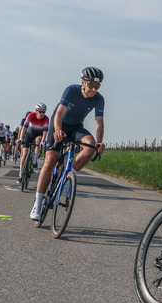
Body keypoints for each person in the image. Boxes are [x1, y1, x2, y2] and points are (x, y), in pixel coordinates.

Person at [29, 67, 106, 220]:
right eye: (90, 85)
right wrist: (57, 130)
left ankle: (67, 177)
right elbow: (58, 113)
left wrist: (99, 142)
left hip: (76, 127)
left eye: (96, 87)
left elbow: (99, 122)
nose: (93, 89)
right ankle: (37, 204)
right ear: (83, 82)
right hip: (59, 124)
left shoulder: (99, 99)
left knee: (90, 145)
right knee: (50, 161)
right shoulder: (71, 90)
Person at [16, 103, 51, 181]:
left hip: (38, 135)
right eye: (40, 112)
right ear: (36, 111)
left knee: (38, 140)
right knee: (24, 154)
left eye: (43, 112)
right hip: (29, 135)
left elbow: (45, 132)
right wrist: (21, 138)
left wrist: (42, 141)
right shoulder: (31, 116)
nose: (42, 114)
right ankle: (20, 174)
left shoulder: (46, 119)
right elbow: (24, 128)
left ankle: (35, 160)